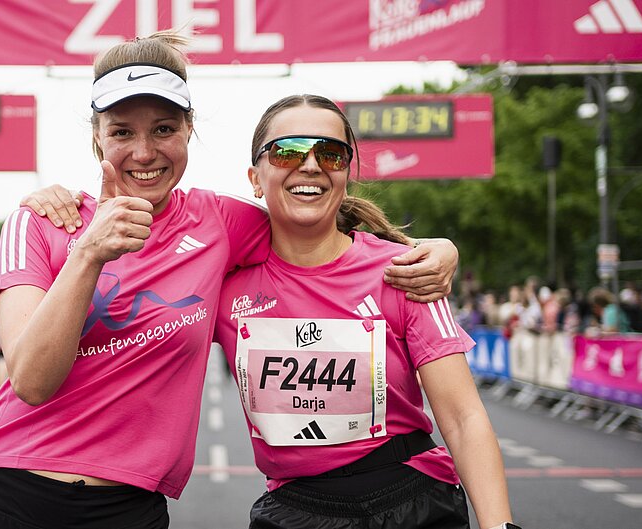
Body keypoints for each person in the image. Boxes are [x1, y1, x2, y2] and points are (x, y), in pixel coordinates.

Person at [0, 31, 460, 529]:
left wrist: (433, 249)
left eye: (163, 129)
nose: (144, 152)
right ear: (97, 138)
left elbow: (312, 220)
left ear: (190, 131)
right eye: (122, 132)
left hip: (129, 507)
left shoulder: (220, 224)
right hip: (1, 492)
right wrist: (88, 255)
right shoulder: (41, 224)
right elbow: (31, 381)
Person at [208, 94, 515, 528]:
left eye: (331, 153)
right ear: (256, 178)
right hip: (295, 510)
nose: (311, 165)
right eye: (288, 151)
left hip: (411, 500)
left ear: (346, 176)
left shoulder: (405, 271)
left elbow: (464, 419)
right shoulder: (225, 287)